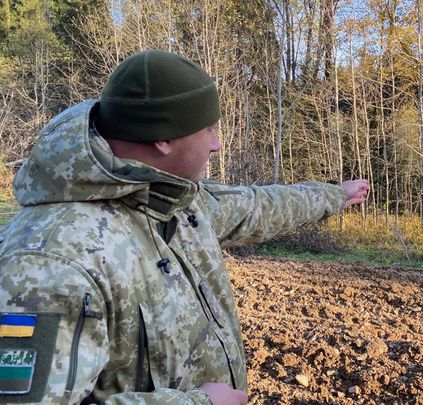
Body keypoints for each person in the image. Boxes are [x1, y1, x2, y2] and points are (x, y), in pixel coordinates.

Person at [0, 49, 368, 404]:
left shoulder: (171, 198)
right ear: (163, 138)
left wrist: (335, 195)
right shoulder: (47, 262)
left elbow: (259, 206)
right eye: (207, 129)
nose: (217, 144)